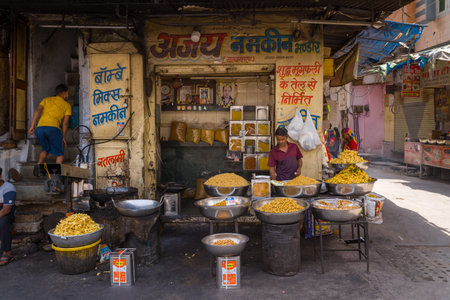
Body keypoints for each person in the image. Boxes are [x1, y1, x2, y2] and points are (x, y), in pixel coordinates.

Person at [28, 84, 71, 165]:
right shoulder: (67, 105)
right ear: (64, 93)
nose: (68, 95)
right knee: (60, 153)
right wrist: (63, 137)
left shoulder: (46, 99)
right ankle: (57, 175)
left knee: (45, 149)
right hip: (53, 129)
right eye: (67, 93)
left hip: (40, 129)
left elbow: (37, 111)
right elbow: (65, 123)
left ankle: (38, 166)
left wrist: (32, 126)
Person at [0, 168, 16, 266]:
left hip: (6, 214)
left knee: (3, 221)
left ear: (0, 176)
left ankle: (7, 252)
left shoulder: (8, 187)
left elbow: (6, 210)